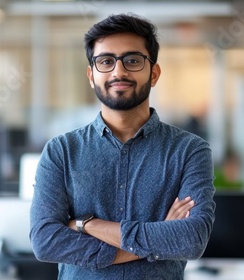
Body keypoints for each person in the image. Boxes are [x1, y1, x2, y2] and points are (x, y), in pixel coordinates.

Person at [30, 13, 215, 279]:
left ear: (154, 73)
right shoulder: (61, 151)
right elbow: (46, 241)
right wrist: (157, 238)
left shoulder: (189, 151)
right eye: (106, 61)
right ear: (91, 75)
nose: (119, 71)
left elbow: (191, 239)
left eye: (132, 60)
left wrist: (86, 224)